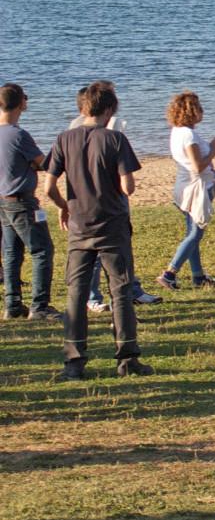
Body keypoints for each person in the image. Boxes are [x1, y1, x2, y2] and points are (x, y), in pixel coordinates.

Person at [43, 81, 151, 381]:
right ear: (110, 109)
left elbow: (48, 187)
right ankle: (127, 358)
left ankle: (74, 362)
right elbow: (127, 186)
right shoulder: (115, 139)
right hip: (112, 225)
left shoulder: (64, 139)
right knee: (120, 291)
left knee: (76, 294)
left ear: (83, 108)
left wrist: (64, 206)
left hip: (79, 226)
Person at [66, 86, 161, 312]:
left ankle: (132, 291)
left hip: (108, 199)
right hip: (95, 201)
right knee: (99, 254)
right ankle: (95, 298)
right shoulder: (76, 131)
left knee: (120, 251)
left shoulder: (107, 132)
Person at [0, 83, 60, 322]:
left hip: (3, 200)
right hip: (22, 201)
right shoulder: (19, 134)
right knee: (42, 250)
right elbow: (43, 163)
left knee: (12, 252)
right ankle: (39, 306)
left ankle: (12, 304)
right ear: (21, 103)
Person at [156, 92, 215, 290]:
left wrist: (212, 147)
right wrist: (213, 150)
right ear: (192, 111)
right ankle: (170, 273)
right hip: (195, 188)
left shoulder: (178, 131)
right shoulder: (187, 135)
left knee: (192, 231)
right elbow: (197, 166)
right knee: (196, 232)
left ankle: (198, 276)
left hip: (185, 186)